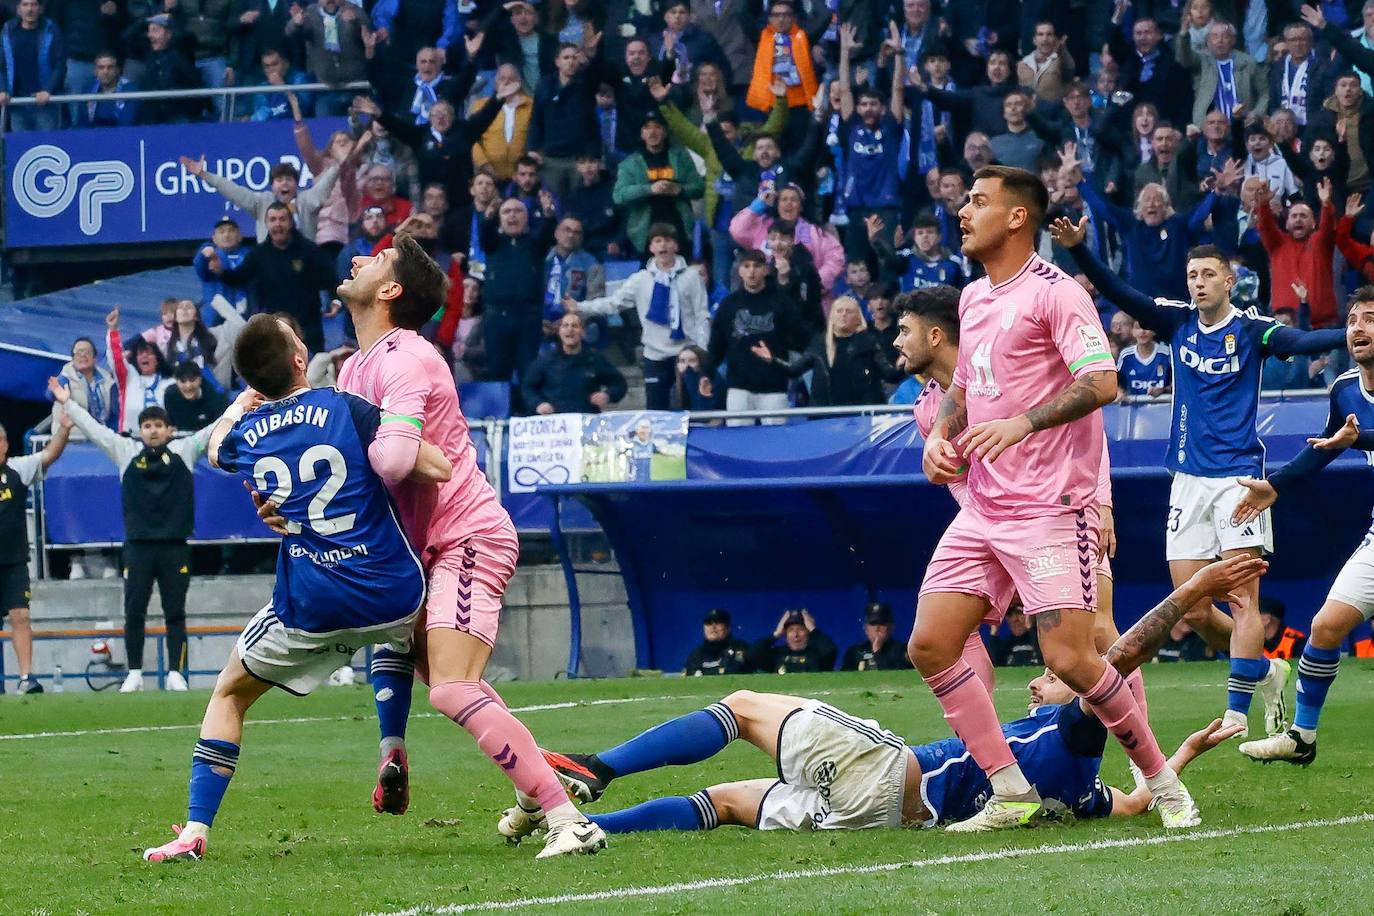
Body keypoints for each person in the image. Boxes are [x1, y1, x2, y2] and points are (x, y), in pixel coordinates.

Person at [534, 556, 1265, 837]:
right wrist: (1186, 753)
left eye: (1048, 680)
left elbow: (1114, 654)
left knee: (745, 705)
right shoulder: (1078, 789)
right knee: (723, 800)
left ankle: (598, 767)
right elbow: (1136, 802)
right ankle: (588, 830)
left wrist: (1193, 590)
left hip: (885, 775)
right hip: (876, 821)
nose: (1041, 678)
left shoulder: (1067, 736)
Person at [914, 166, 1190, 832]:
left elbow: (1103, 381)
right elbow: (964, 391)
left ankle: (1161, 780)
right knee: (930, 644)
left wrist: (1023, 423)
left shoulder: (1056, 293)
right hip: (984, 508)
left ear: (1017, 217)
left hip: (1047, 507)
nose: (963, 210)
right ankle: (1009, 791)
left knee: (1071, 659)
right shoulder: (975, 299)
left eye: (978, 201)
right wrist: (942, 435)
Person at [326, 235, 605, 856]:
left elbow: (396, 461)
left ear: (390, 290)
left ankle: (569, 821)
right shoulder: (355, 367)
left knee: (452, 688)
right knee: (453, 681)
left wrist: (397, 454)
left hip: (465, 538)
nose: (357, 262)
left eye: (373, 261)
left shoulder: (408, 360)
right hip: (426, 548)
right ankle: (537, 788)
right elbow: (379, 465)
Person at [139, 314, 449, 863]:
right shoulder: (343, 407)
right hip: (393, 591)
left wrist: (245, 400)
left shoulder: (247, 433)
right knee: (413, 651)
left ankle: (194, 832)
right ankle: (397, 748)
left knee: (230, 694)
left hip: (311, 603)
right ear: (301, 361)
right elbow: (428, 464)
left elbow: (215, 448)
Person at [1051, 217, 1347, 739]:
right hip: (1187, 480)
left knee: (1242, 598)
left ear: (1229, 281)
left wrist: (1354, 333)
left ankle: (1236, 711)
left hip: (1240, 482)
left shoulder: (1253, 331)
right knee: (1190, 604)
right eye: (1192, 275)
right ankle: (1266, 669)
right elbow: (1125, 293)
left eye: (1209, 274)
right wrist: (1081, 251)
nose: (1199, 283)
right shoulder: (1176, 323)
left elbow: (1301, 342)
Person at [1231, 288, 1374, 766]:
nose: (1358, 328)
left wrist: (1361, 439)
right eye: (1353, 319)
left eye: (1370, 319)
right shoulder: (1346, 389)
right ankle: (1302, 738)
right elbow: (1328, 444)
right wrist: (1277, 485)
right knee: (1325, 626)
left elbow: (1352, 438)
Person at [49, 378, 212, 694]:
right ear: (140, 430)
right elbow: (96, 431)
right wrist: (68, 403)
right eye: (147, 425)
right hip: (137, 547)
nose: (152, 430)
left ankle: (176, 674)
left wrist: (243, 402)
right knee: (134, 611)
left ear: (169, 430)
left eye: (158, 425)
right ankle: (135, 672)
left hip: (174, 546)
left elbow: (214, 428)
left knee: (175, 612)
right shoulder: (125, 452)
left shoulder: (185, 451)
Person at [570, 223, 710, 411]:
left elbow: (701, 315)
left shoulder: (692, 277)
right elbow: (613, 303)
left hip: (686, 353)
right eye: (657, 241)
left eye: (668, 241)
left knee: (691, 407)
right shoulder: (640, 279)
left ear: (676, 246)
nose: (663, 246)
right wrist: (579, 306)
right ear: (651, 247)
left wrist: (701, 350)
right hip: (654, 355)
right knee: (655, 410)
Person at [0, 411, 74, 694]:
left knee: (20, 616)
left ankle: (26, 677)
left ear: (5, 444)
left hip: (15, 561)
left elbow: (49, 455)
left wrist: (65, 430)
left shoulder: (18, 469)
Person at [210, 203, 340, 354]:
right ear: (266, 224)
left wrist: (335, 299)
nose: (277, 224)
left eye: (282, 219)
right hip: (273, 331)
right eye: (273, 220)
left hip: (308, 329)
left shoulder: (309, 250)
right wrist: (221, 271)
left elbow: (330, 278)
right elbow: (239, 277)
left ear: (291, 222)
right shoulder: (259, 254)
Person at [703, 249, 803, 425]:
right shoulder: (729, 304)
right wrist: (707, 374)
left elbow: (799, 338)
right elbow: (716, 345)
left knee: (776, 442)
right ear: (739, 271)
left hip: (774, 386)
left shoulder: (782, 302)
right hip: (739, 387)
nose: (751, 271)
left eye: (757, 266)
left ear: (766, 270)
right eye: (746, 266)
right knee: (739, 444)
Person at [180, 155, 341, 245]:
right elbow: (234, 191)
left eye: (288, 179)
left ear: (296, 184)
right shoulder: (262, 202)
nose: (284, 182)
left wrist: (340, 163)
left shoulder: (306, 200)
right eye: (278, 180)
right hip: (270, 267)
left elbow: (324, 186)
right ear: (272, 186)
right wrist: (205, 175)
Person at [612, 109, 704, 255]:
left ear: (665, 132)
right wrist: (649, 189)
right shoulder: (630, 163)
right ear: (642, 134)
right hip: (645, 231)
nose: (652, 132)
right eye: (647, 127)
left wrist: (679, 189)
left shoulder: (680, 157)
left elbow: (699, 188)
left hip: (678, 226)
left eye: (657, 127)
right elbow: (619, 195)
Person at [521, 312, 627, 414]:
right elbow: (528, 387)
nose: (570, 330)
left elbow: (619, 384)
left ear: (583, 332)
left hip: (587, 421)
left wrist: (607, 395)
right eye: (565, 326)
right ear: (559, 332)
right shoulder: (545, 360)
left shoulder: (595, 359)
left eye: (574, 326)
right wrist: (538, 404)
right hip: (556, 423)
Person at [0, 0, 66, 132]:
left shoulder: (51, 29)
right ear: (18, 9)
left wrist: (48, 90)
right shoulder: (7, 30)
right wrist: (3, 89)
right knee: (21, 150)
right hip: (16, 104)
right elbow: (1, 65)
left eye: (33, 4)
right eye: (25, 5)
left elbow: (60, 65)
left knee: (47, 147)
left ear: (40, 8)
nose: (30, 9)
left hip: (45, 104)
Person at [105, 310, 174, 436]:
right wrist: (113, 330)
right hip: (130, 441)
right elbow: (116, 359)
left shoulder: (170, 383)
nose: (144, 356)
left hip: (164, 443)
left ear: (157, 359)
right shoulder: (128, 378)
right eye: (140, 353)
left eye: (149, 353)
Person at [52, 336, 118, 433]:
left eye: (87, 352)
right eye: (78, 353)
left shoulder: (108, 380)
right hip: (71, 440)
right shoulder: (65, 377)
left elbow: (113, 415)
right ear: (73, 359)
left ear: (95, 358)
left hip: (101, 440)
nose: (83, 355)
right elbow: (50, 394)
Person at [748, 610, 836, 673]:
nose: (796, 635)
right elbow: (752, 655)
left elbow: (831, 651)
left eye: (801, 629)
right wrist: (776, 634)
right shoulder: (777, 654)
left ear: (808, 632)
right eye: (791, 630)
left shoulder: (818, 653)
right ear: (785, 633)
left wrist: (813, 630)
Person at [74, 51, 140, 127]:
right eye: (101, 68)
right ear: (95, 71)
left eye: (110, 67)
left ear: (117, 70)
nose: (105, 72)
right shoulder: (88, 90)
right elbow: (82, 125)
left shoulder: (129, 90)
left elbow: (128, 123)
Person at [840, 603, 910, 671]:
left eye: (882, 624)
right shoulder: (855, 651)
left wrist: (877, 652)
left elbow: (897, 678)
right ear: (865, 628)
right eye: (873, 624)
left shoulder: (901, 650)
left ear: (891, 627)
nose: (877, 628)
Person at [683, 608, 751, 676]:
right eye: (708, 623)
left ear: (728, 627)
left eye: (718, 622)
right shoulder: (696, 655)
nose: (713, 626)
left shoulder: (739, 648)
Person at [164, 361, 229, 432]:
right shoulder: (170, 395)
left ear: (200, 379)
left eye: (192, 380)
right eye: (183, 381)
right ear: (176, 381)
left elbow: (222, 426)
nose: (188, 386)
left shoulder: (215, 397)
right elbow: (171, 424)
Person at [1116, 326, 1172, 400]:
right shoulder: (1126, 355)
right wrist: (1118, 391)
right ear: (1132, 331)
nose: (1142, 331)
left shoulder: (1166, 353)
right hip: (1132, 408)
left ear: (1154, 331)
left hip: (1162, 406)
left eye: (1146, 327)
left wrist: (1163, 390)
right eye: (1138, 328)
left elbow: (1177, 384)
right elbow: (1116, 382)